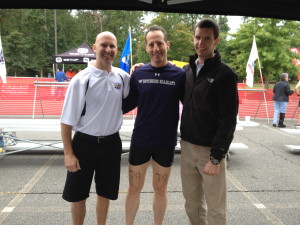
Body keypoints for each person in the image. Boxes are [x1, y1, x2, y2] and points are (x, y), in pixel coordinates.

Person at [60, 31, 130, 225]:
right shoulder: (81, 80)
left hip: (111, 144)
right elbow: (66, 120)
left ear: (116, 49)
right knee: (78, 196)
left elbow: (136, 92)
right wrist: (68, 153)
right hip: (84, 144)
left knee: (105, 194)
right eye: (104, 45)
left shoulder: (122, 77)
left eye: (112, 46)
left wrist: (139, 69)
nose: (108, 50)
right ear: (94, 47)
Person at [122, 25, 185, 225]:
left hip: (165, 143)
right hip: (141, 140)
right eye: (151, 44)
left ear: (167, 44)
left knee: (160, 189)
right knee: (134, 188)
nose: (156, 48)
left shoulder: (179, 75)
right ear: (147, 48)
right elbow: (125, 105)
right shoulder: (139, 73)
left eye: (159, 43)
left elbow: (193, 105)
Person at [180, 18, 239, 225]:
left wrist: (216, 157)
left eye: (207, 39)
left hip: (209, 151)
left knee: (215, 209)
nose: (201, 43)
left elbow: (228, 119)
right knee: (192, 204)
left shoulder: (225, 75)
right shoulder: (188, 70)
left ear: (216, 41)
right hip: (186, 147)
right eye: (198, 37)